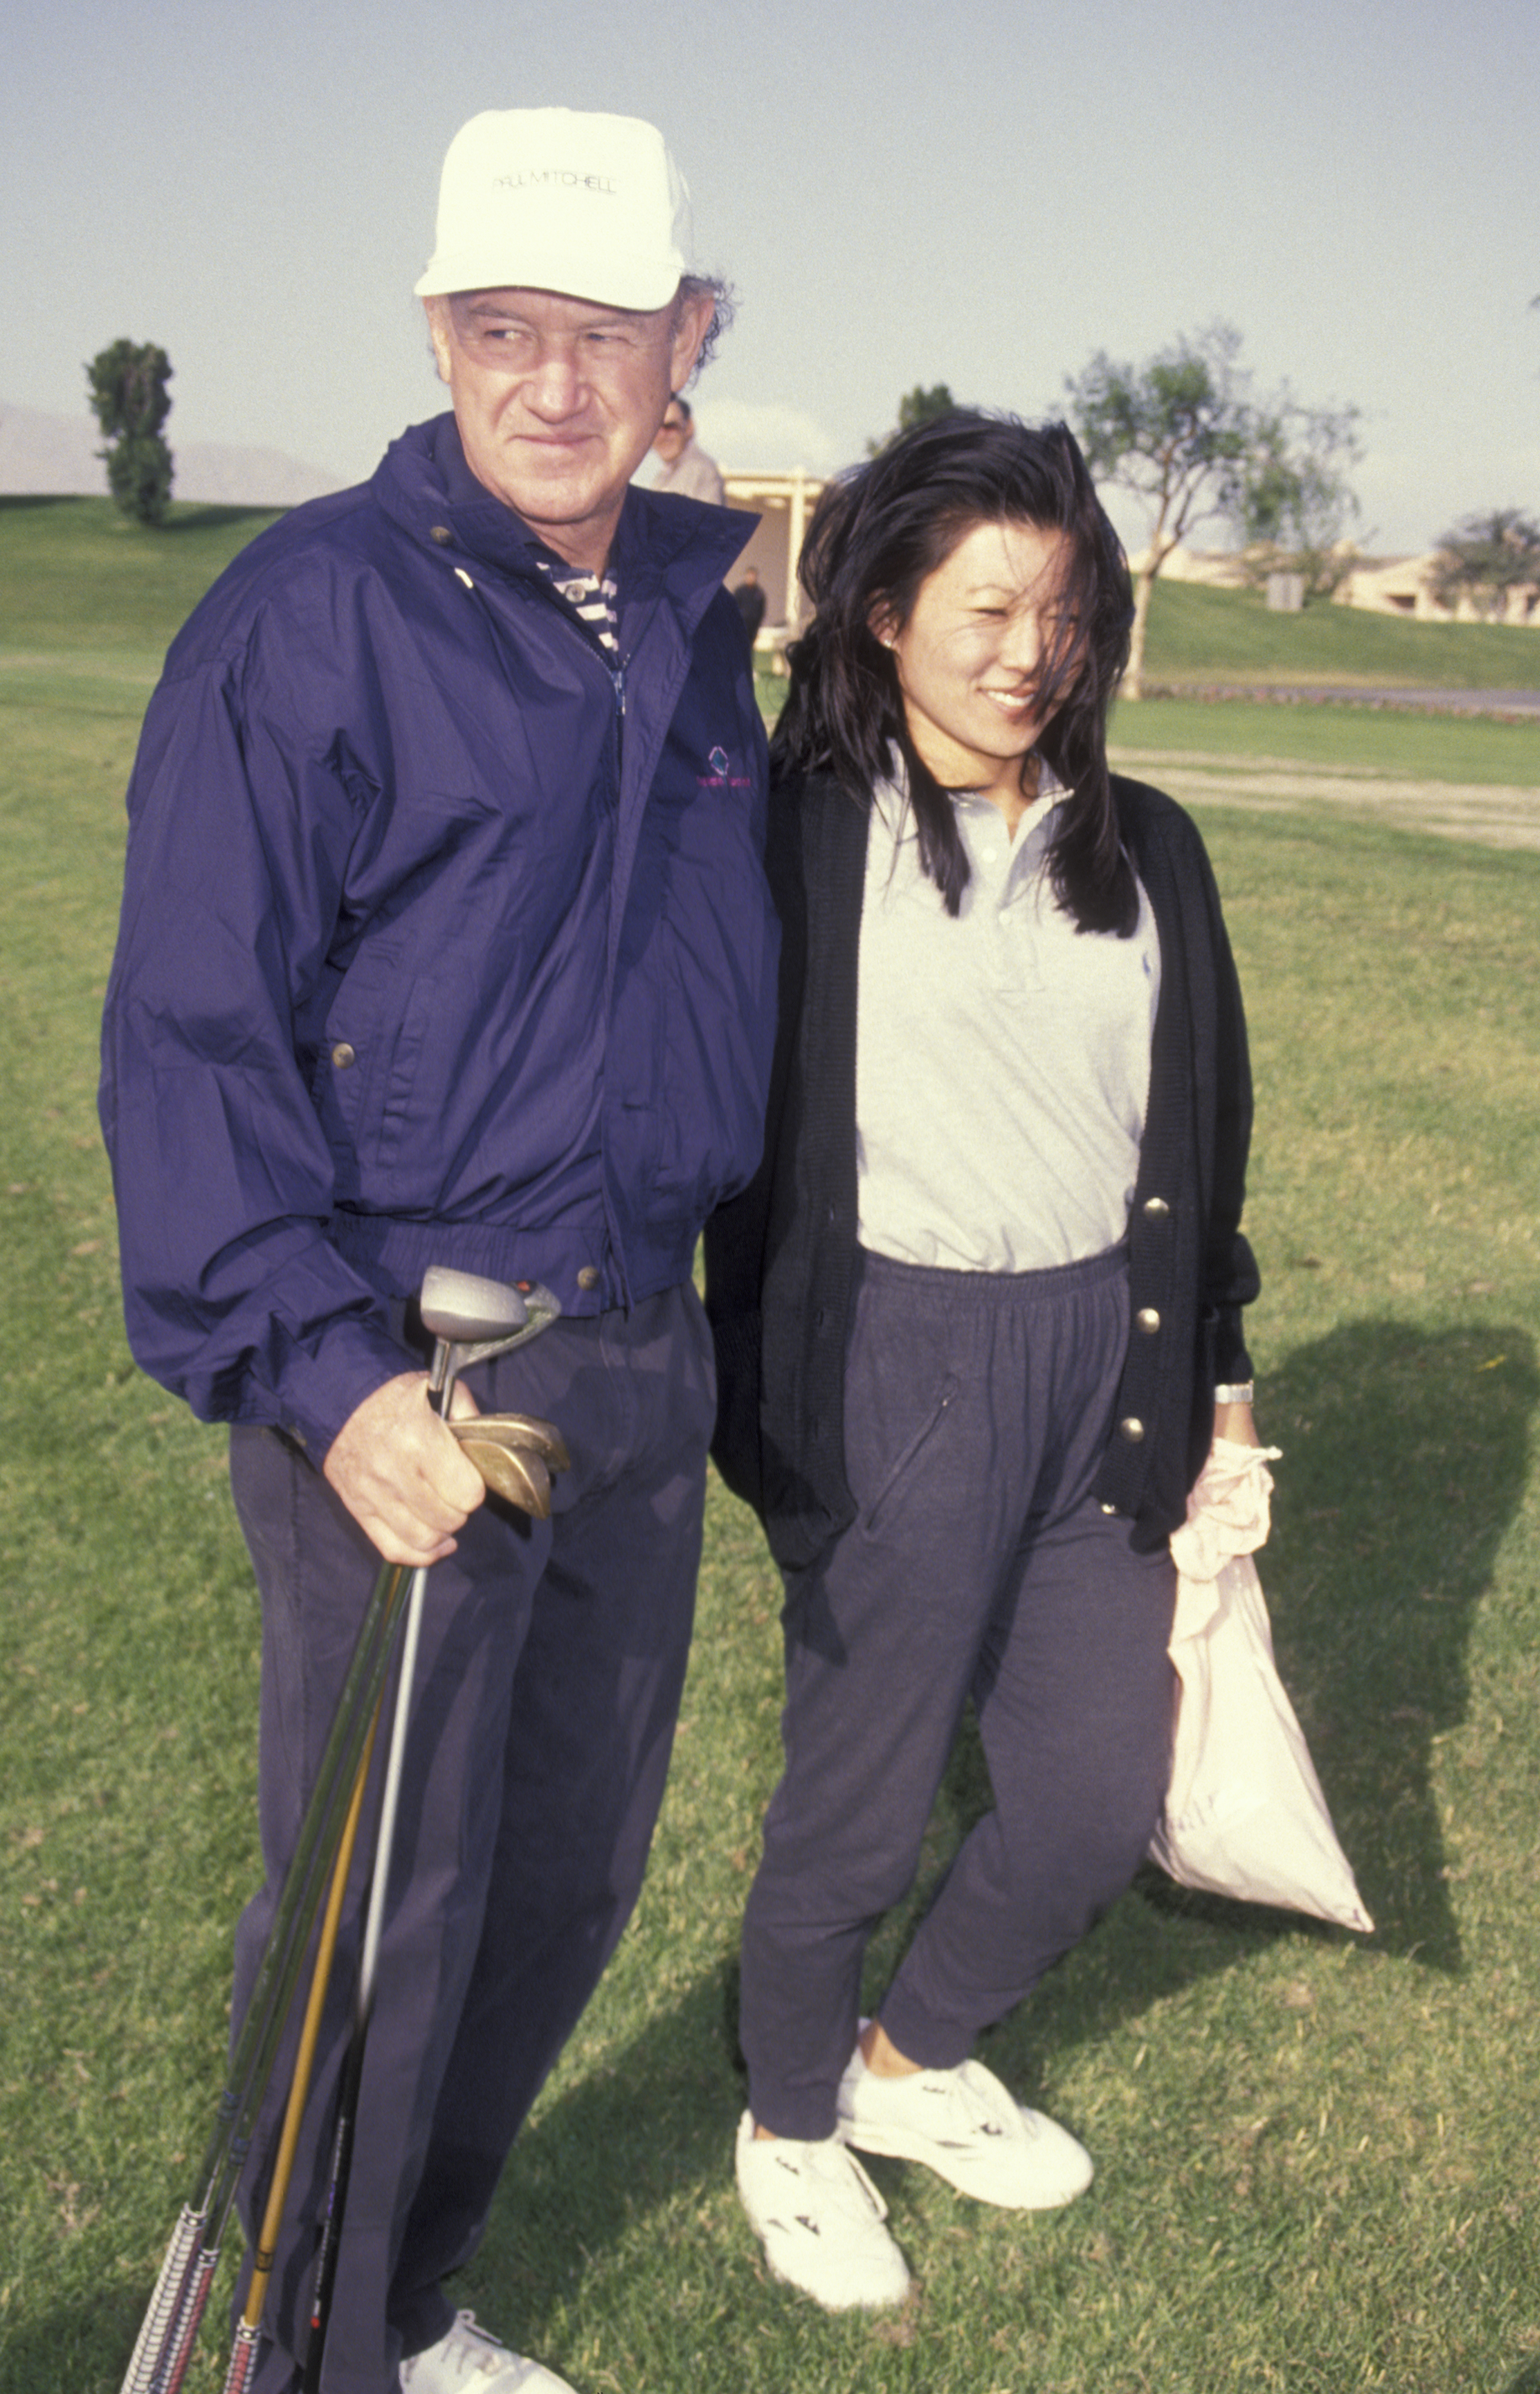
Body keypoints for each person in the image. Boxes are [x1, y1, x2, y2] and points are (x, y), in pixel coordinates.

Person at [100, 106, 777, 2394]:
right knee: (380, 1923)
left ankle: (398, 2311)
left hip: (633, 1360)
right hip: (414, 1370)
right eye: (504, 330)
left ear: (688, 340)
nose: (553, 383)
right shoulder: (306, 615)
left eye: (603, 333)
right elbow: (193, 1036)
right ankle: (289, 2354)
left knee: (568, 1879)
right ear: (436, 334)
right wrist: (326, 1378)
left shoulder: (698, 634)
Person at [704, 412, 1261, 2312]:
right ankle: (784, 2122)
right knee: (853, 1806)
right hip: (894, 1359)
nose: (1028, 648)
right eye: (984, 604)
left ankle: (903, 2065)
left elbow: (1198, 1141)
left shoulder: (1148, 852)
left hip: (1104, 1357)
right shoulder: (792, 830)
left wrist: (1223, 1386)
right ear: (878, 612)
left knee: (1094, 1795)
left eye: (1064, 610)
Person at [644, 393, 727, 503]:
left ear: (689, 427)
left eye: (670, 427)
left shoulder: (699, 470)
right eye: (655, 429)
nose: (662, 436)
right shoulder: (664, 476)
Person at [731, 563, 768, 652]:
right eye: (749, 575)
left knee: (749, 649)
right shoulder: (739, 591)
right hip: (741, 626)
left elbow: (761, 610)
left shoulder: (759, 592)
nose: (751, 578)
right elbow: (733, 609)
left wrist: (758, 624)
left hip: (753, 627)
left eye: (753, 575)